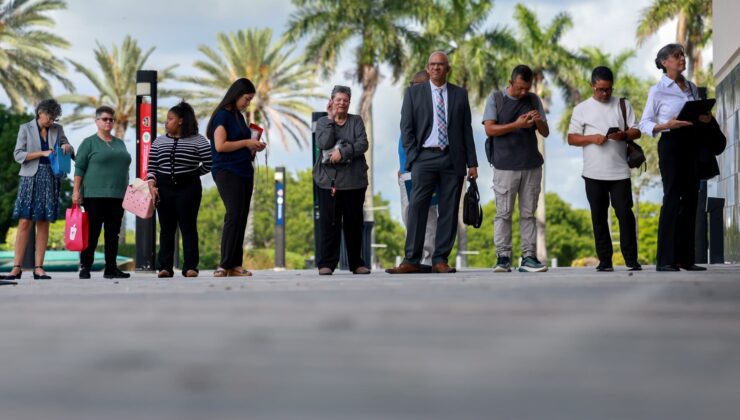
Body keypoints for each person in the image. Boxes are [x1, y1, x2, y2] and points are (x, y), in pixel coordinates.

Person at [386, 51, 478, 274]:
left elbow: (466, 130)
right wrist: (413, 158)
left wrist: (472, 163)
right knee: (417, 207)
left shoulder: (459, 94)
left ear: (448, 69)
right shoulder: (413, 93)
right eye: (432, 65)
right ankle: (411, 260)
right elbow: (406, 128)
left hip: (452, 158)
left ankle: (440, 259)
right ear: (427, 69)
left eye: (441, 65)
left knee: (448, 210)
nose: (436, 68)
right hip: (424, 158)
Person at [639, 43, 712, 271]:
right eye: (677, 56)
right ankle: (666, 260)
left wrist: (705, 118)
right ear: (664, 62)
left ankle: (685, 259)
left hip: (692, 144)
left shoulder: (690, 87)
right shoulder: (658, 90)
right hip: (671, 144)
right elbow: (644, 123)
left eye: (682, 55)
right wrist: (666, 125)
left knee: (691, 199)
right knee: (672, 198)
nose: (682, 58)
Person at [567, 66, 642, 272]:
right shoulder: (582, 108)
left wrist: (623, 135)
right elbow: (571, 138)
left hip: (620, 172)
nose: (605, 93)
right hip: (593, 173)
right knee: (598, 217)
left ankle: (631, 259)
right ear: (592, 86)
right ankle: (605, 260)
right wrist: (592, 138)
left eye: (608, 89)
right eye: (600, 89)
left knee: (625, 215)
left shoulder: (623, 104)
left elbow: (637, 131)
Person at [483, 64, 550, 273]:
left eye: (526, 88)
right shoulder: (496, 99)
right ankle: (503, 258)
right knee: (503, 213)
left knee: (528, 213)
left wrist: (538, 121)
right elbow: (489, 129)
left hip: (531, 165)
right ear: (510, 82)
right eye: (519, 88)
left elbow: (545, 132)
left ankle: (529, 257)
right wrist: (516, 125)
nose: (523, 93)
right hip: (504, 167)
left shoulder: (533, 100)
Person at [5, 99, 73, 280]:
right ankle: (16, 268)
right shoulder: (25, 128)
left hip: (51, 178)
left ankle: (39, 268)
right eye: (50, 118)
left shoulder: (58, 130)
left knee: (43, 222)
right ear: (40, 113)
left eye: (55, 118)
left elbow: (70, 148)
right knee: (25, 222)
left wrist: (67, 146)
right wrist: (41, 153)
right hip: (30, 178)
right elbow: (18, 154)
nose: (52, 121)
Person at [206, 78, 266, 277]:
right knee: (233, 214)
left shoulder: (239, 117)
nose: (247, 104)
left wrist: (253, 145)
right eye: (246, 99)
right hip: (226, 170)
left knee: (241, 217)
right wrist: (246, 142)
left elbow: (242, 143)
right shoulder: (222, 116)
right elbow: (220, 146)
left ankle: (235, 264)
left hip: (244, 169)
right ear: (237, 94)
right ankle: (224, 264)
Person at [147, 101, 212, 278]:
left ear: (181, 121)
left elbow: (209, 162)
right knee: (166, 228)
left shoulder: (198, 140)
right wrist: (152, 185)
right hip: (163, 188)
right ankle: (165, 267)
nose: (165, 123)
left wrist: (193, 174)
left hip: (189, 188)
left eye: (170, 119)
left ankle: (191, 266)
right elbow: (152, 166)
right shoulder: (158, 141)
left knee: (188, 227)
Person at [313, 85, 371, 275]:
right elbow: (323, 143)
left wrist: (343, 152)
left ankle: (357, 263)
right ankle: (327, 263)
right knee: (329, 224)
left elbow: (363, 143)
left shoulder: (356, 121)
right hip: (328, 182)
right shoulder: (322, 122)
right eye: (338, 100)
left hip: (354, 182)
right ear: (331, 101)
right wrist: (330, 119)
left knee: (354, 224)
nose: (342, 104)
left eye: (345, 100)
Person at [73, 106, 132, 279]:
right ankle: (85, 267)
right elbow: (79, 168)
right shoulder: (89, 142)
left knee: (113, 234)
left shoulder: (119, 143)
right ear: (97, 121)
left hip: (117, 196)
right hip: (94, 195)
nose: (108, 122)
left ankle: (111, 268)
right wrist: (76, 191)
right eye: (104, 119)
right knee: (92, 233)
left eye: (111, 119)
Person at [397, 70, 438, 273]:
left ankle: (427, 259)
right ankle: (412, 256)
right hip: (406, 172)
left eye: (416, 85)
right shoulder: (410, 105)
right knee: (408, 215)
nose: (412, 88)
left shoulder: (431, 108)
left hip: (422, 170)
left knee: (428, 215)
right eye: (411, 85)